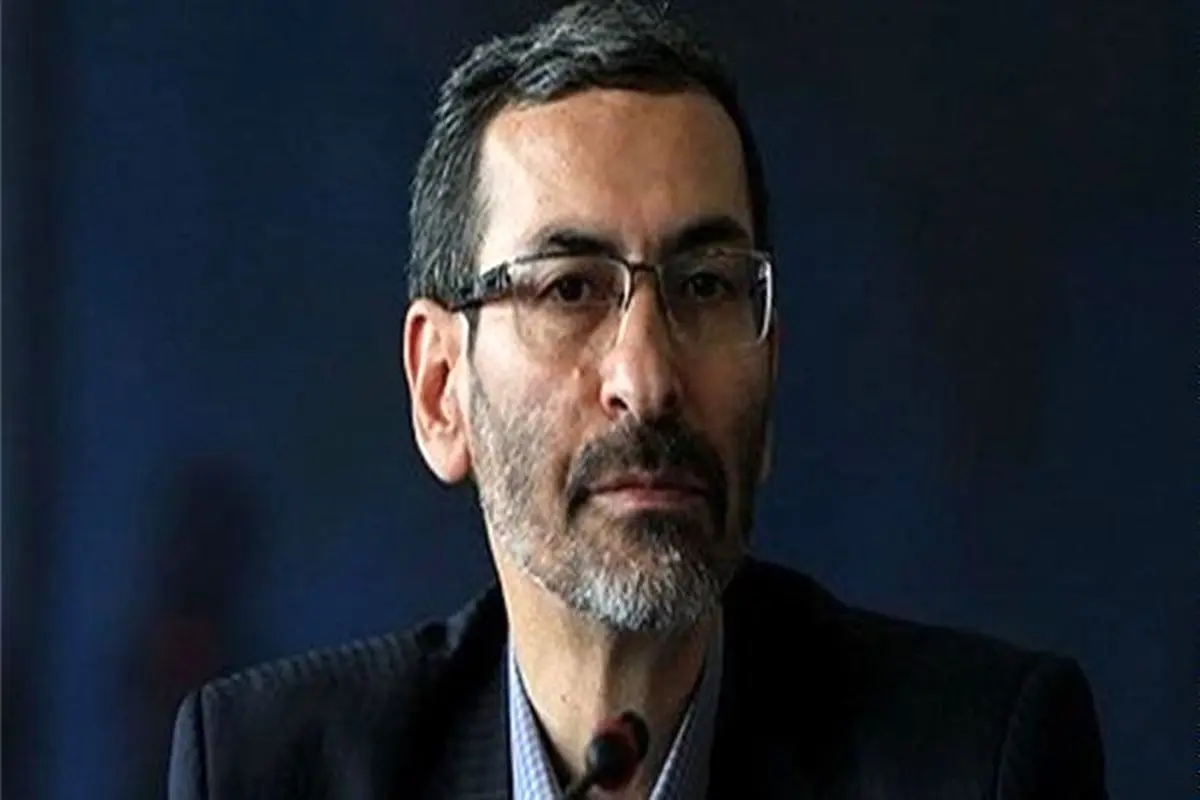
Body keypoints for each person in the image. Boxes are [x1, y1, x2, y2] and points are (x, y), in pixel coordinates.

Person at [167, 2, 1108, 797]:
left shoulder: (980, 761)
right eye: (570, 288)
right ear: (441, 390)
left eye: (705, 286)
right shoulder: (265, 769)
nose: (647, 381)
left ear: (770, 367)